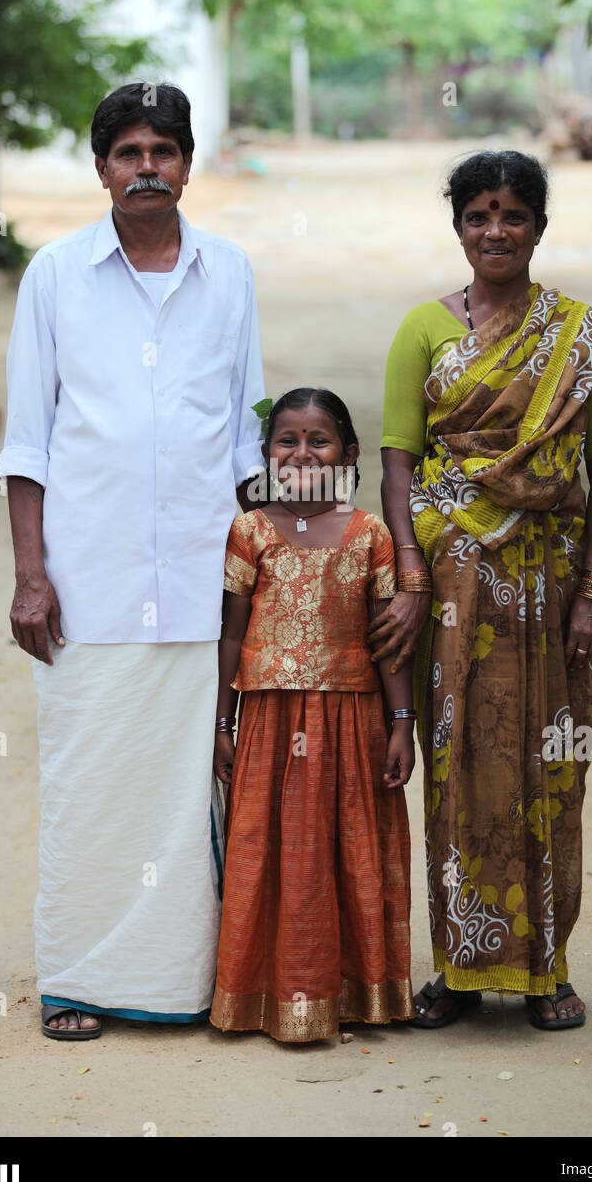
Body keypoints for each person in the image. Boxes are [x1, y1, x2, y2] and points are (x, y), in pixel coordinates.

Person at [0, 81, 265, 1039]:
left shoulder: (229, 273)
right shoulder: (56, 275)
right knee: (88, 784)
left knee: (188, 786)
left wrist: (270, 572)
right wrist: (32, 576)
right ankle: (77, 980)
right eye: (128, 152)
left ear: (188, 162)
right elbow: (28, 442)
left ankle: (185, 985)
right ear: (102, 167)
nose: (147, 167)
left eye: (164, 150)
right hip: (88, 587)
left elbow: (246, 444)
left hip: (199, 584)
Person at [373, 150, 592, 1031]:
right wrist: (408, 568)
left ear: (539, 228)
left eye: (514, 215)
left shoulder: (580, 337)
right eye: (479, 215)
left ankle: (547, 967)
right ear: (458, 227)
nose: (496, 231)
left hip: (548, 588)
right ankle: (457, 968)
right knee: (456, 767)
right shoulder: (421, 331)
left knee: (547, 762)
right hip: (452, 587)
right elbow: (398, 468)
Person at [209, 389, 415, 1042]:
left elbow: (389, 642)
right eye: (286, 440)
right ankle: (268, 994)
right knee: (269, 855)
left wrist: (402, 722)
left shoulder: (370, 535)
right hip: (269, 722)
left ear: (349, 453)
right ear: (267, 452)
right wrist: (221, 723)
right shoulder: (250, 532)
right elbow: (230, 637)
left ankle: (358, 992)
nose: (302, 452)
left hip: (354, 720)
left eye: (318, 439)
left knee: (350, 850)